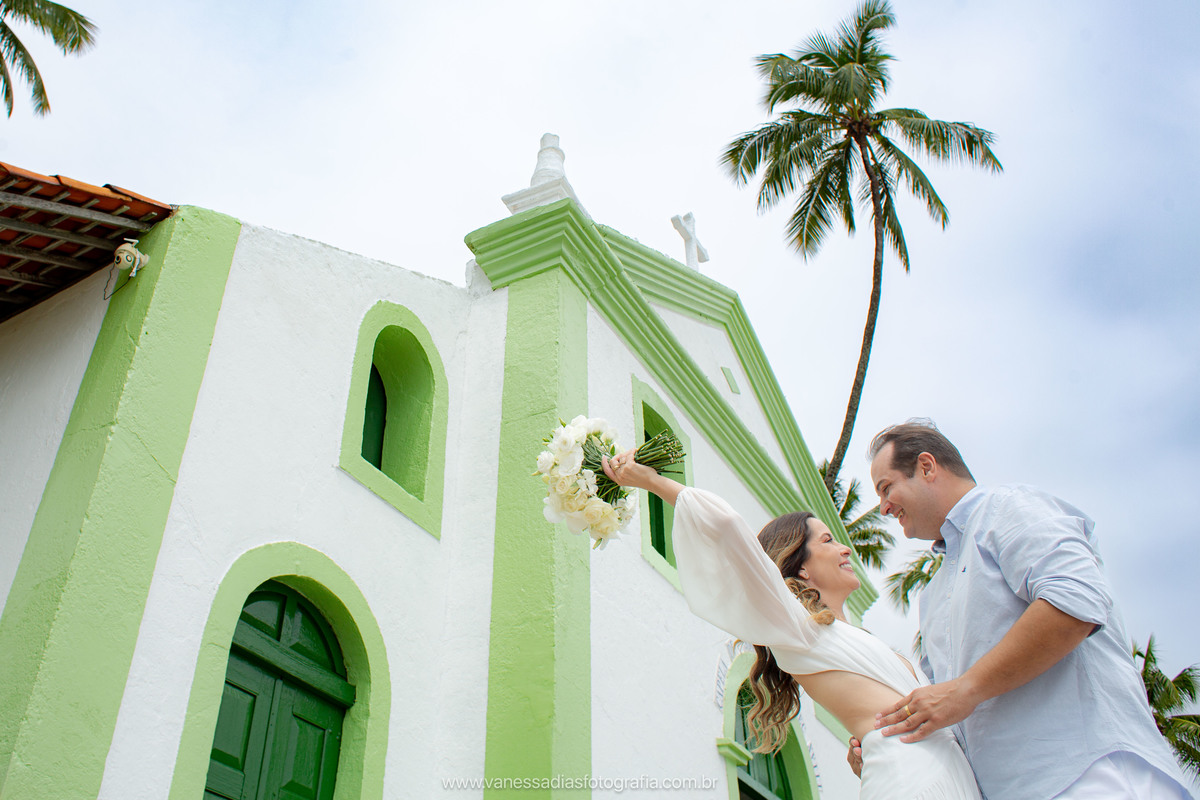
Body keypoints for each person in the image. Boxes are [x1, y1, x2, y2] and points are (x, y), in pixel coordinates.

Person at [602, 452, 982, 799]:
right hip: (913, 782)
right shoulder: (798, 628)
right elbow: (728, 526)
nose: (846, 548)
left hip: (949, 777)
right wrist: (651, 481)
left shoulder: (853, 639)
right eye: (829, 541)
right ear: (802, 567)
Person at [857, 420, 1193, 800]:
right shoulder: (931, 598)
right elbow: (950, 713)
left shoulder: (1007, 508)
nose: (883, 507)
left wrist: (964, 689)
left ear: (927, 467)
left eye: (886, 488)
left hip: (1090, 775)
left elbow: (1076, 598)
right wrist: (887, 751)